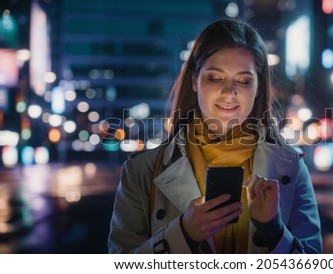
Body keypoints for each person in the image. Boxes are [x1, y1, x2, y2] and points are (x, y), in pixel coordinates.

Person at [108, 19, 322, 254]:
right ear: (194, 81)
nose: (229, 92)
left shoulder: (291, 167)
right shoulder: (142, 171)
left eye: (244, 80)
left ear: (258, 87)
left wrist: (272, 230)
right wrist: (184, 233)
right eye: (215, 77)